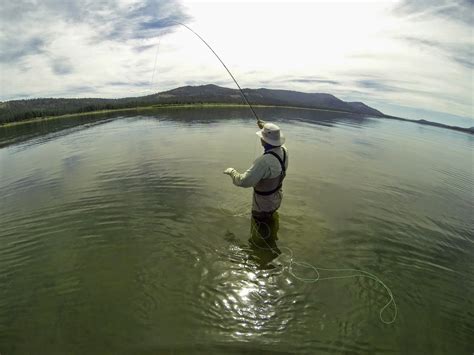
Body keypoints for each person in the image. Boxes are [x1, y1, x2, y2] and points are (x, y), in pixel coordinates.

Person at [223, 120, 288, 254]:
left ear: (264, 141)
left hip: (262, 205)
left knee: (259, 230)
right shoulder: (284, 151)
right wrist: (264, 126)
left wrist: (231, 171)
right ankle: (271, 242)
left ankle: (261, 252)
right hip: (276, 199)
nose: (260, 140)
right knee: (270, 221)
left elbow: (243, 181)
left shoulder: (264, 162)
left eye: (262, 137)